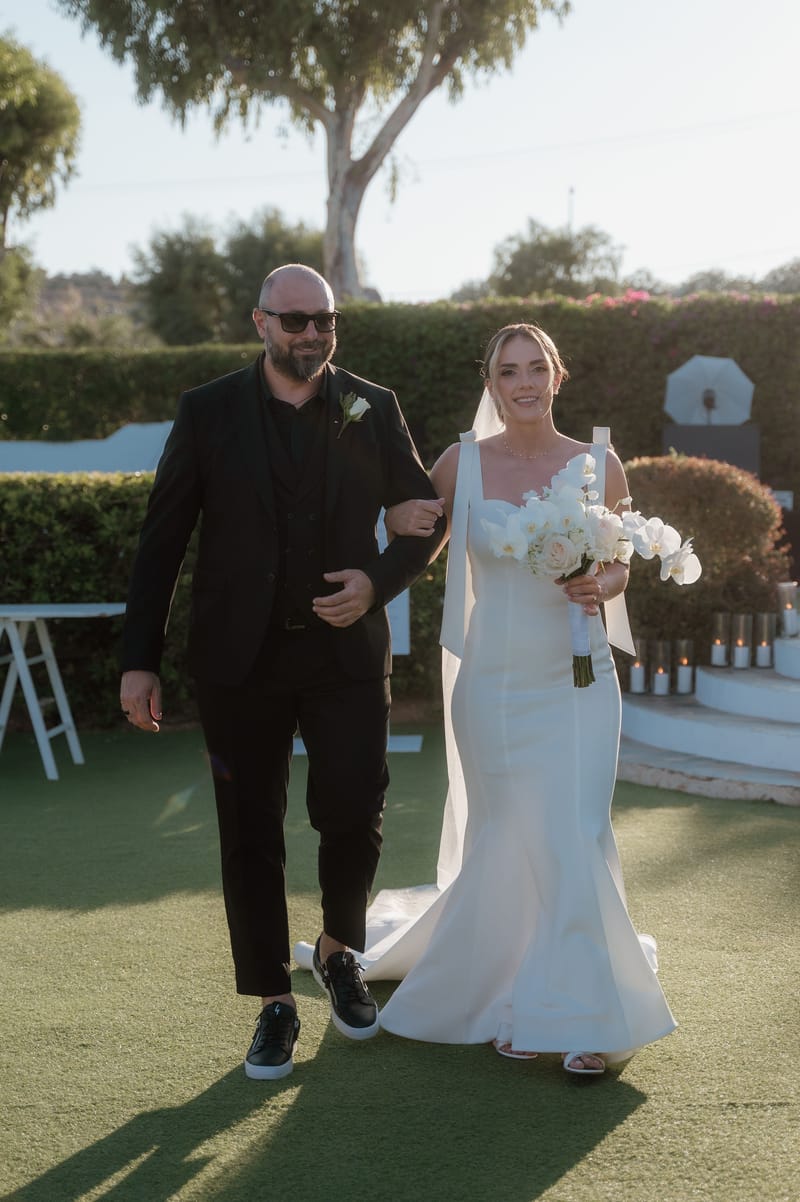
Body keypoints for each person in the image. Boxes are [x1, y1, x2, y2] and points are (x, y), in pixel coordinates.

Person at [299, 322, 677, 1074]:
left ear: (558, 376)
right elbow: (415, 546)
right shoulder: (457, 463)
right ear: (492, 383)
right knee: (509, 835)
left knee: (573, 830)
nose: (525, 382)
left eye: (538, 367)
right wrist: (383, 546)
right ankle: (512, 982)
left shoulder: (600, 465)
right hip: (494, 688)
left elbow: (622, 565)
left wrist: (602, 583)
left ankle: (587, 1015)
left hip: (578, 681)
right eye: (510, 371)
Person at [119, 264, 445, 1081]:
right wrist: (137, 662)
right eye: (295, 320)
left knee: (352, 807)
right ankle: (273, 1001)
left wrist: (377, 579)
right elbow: (163, 540)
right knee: (250, 833)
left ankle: (340, 951)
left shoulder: (375, 405)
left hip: (344, 656)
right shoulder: (207, 410)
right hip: (239, 661)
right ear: (260, 322)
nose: (311, 335)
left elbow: (425, 519)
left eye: (324, 322)